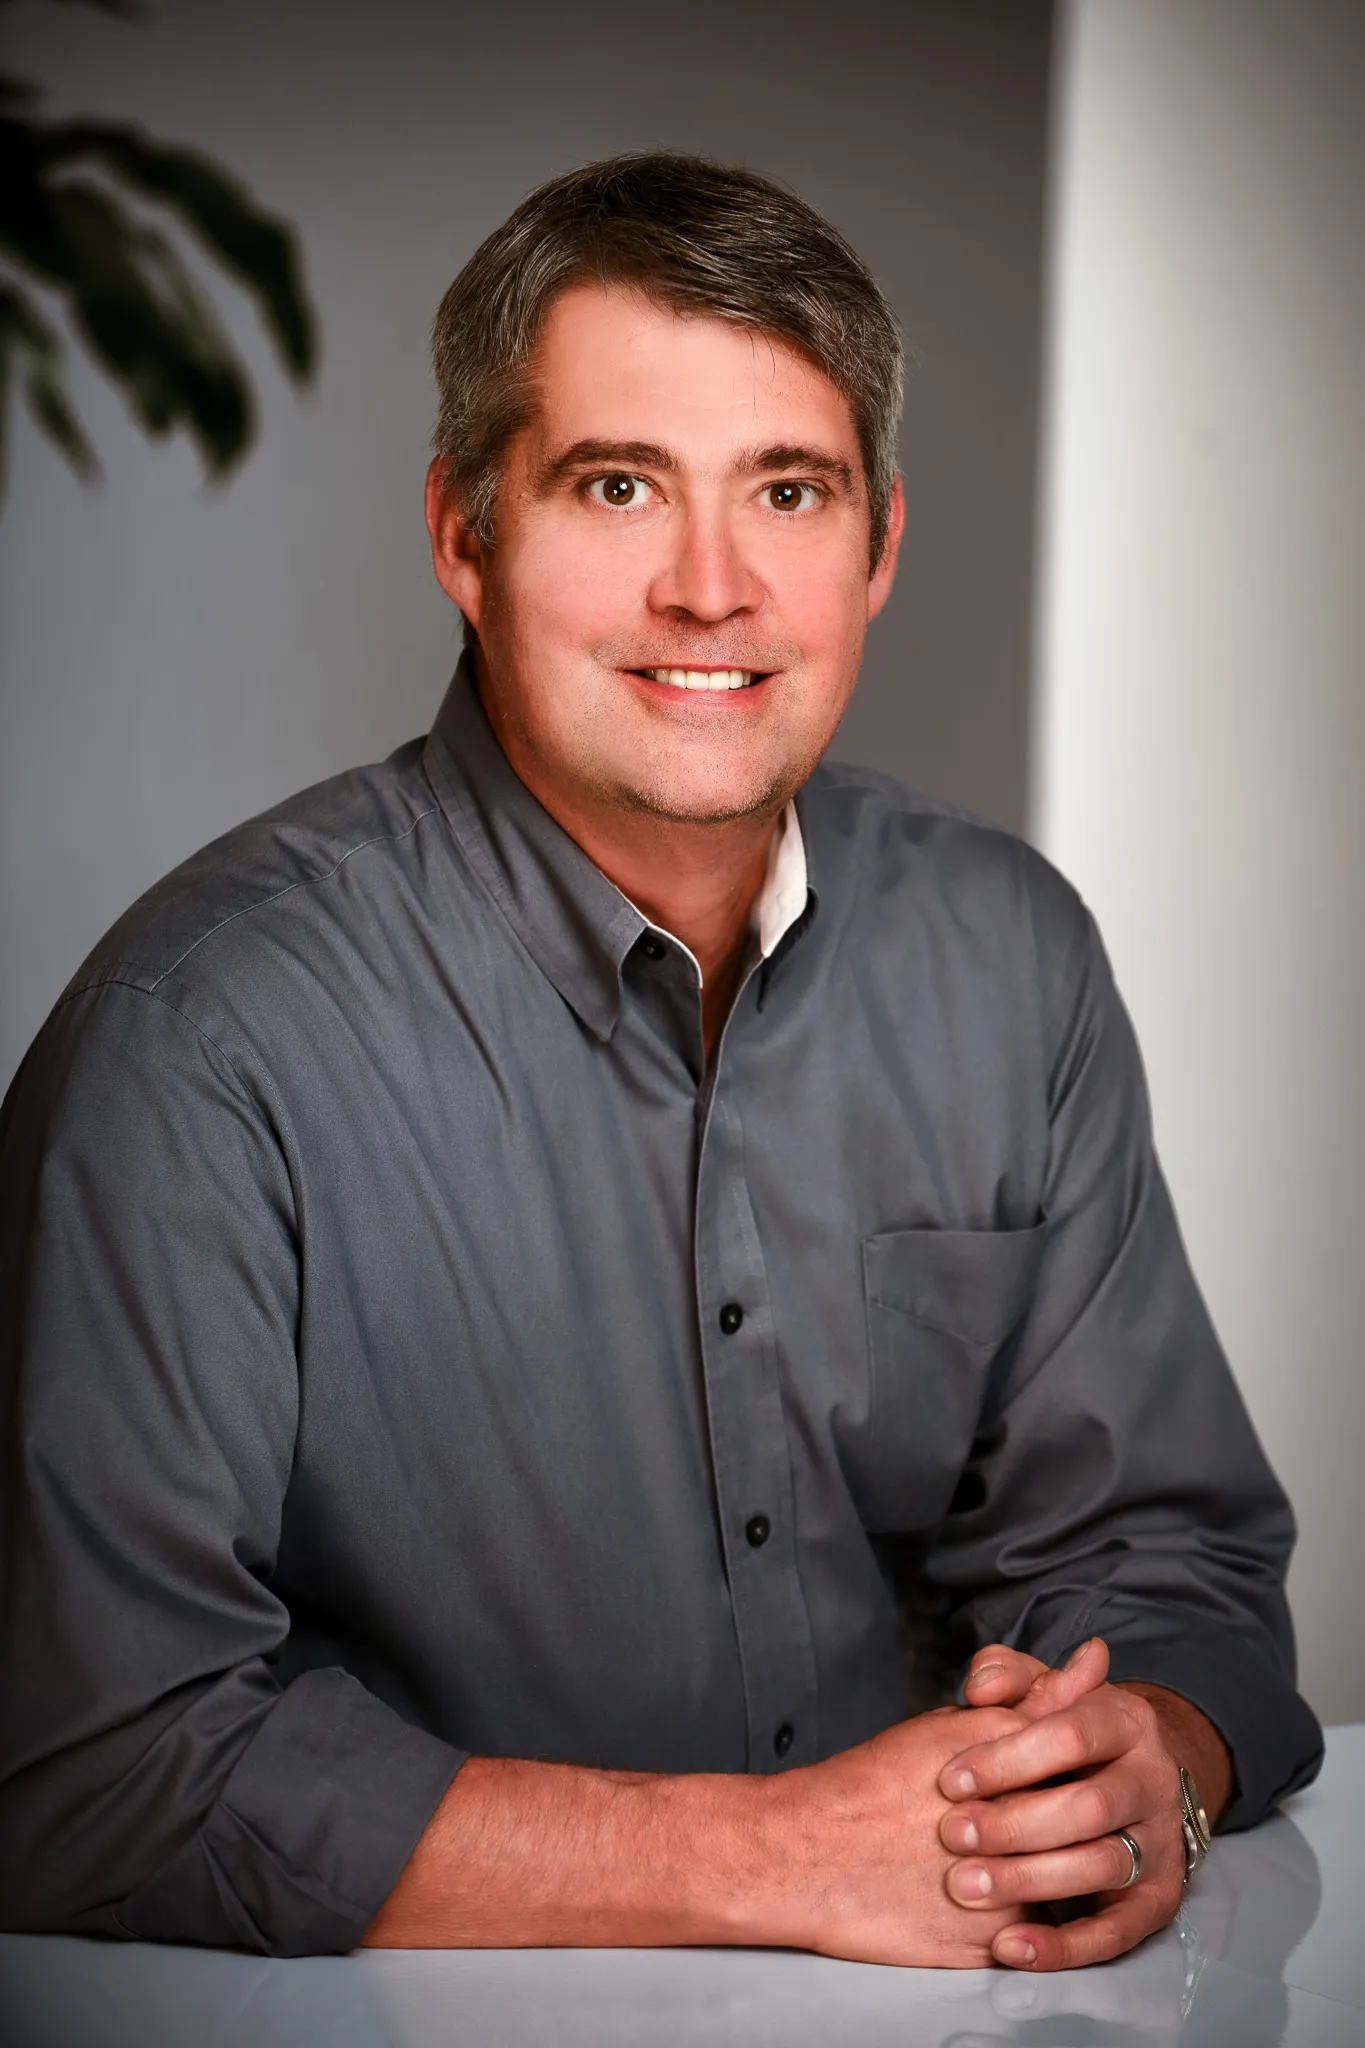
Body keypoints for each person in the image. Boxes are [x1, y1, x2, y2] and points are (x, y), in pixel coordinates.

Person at [0, 153, 1321, 1972]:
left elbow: (1171, 1564)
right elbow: (93, 1759)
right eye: (618, 486)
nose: (713, 588)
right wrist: (772, 1861)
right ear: (466, 535)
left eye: (787, 490)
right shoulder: (202, 1044)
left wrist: (1145, 1762)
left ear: (878, 548)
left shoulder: (1009, 958)